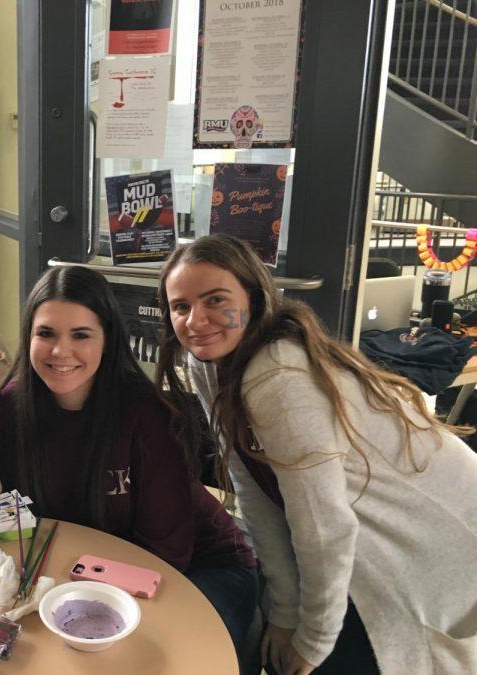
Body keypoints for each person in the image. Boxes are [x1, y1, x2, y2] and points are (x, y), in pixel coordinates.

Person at [157, 234, 477, 675]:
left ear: (253, 298)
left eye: (215, 300)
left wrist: (312, 641)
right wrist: (286, 613)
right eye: (181, 306)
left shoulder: (280, 376)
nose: (197, 320)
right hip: (357, 533)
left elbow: (323, 527)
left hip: (434, 537)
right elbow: (256, 496)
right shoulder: (208, 363)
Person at [0, 265, 258, 661]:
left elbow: (169, 553)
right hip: (86, 570)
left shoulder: (148, 415)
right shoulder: (7, 411)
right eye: (46, 333)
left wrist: (76, 587)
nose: (61, 352)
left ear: (109, 341)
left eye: (81, 335)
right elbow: (31, 520)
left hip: (197, 570)